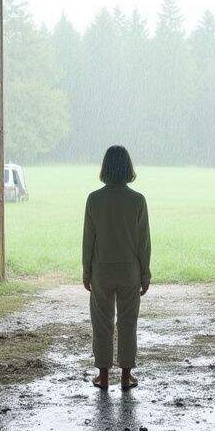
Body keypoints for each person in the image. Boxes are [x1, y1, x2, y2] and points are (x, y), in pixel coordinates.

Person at [82, 145, 151, 390]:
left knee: (102, 324)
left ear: (105, 168)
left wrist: (86, 271)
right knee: (128, 323)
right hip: (129, 270)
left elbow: (88, 239)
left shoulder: (94, 199)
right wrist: (145, 273)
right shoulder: (137, 200)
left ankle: (103, 376)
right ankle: (125, 376)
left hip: (101, 269)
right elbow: (143, 242)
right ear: (128, 168)